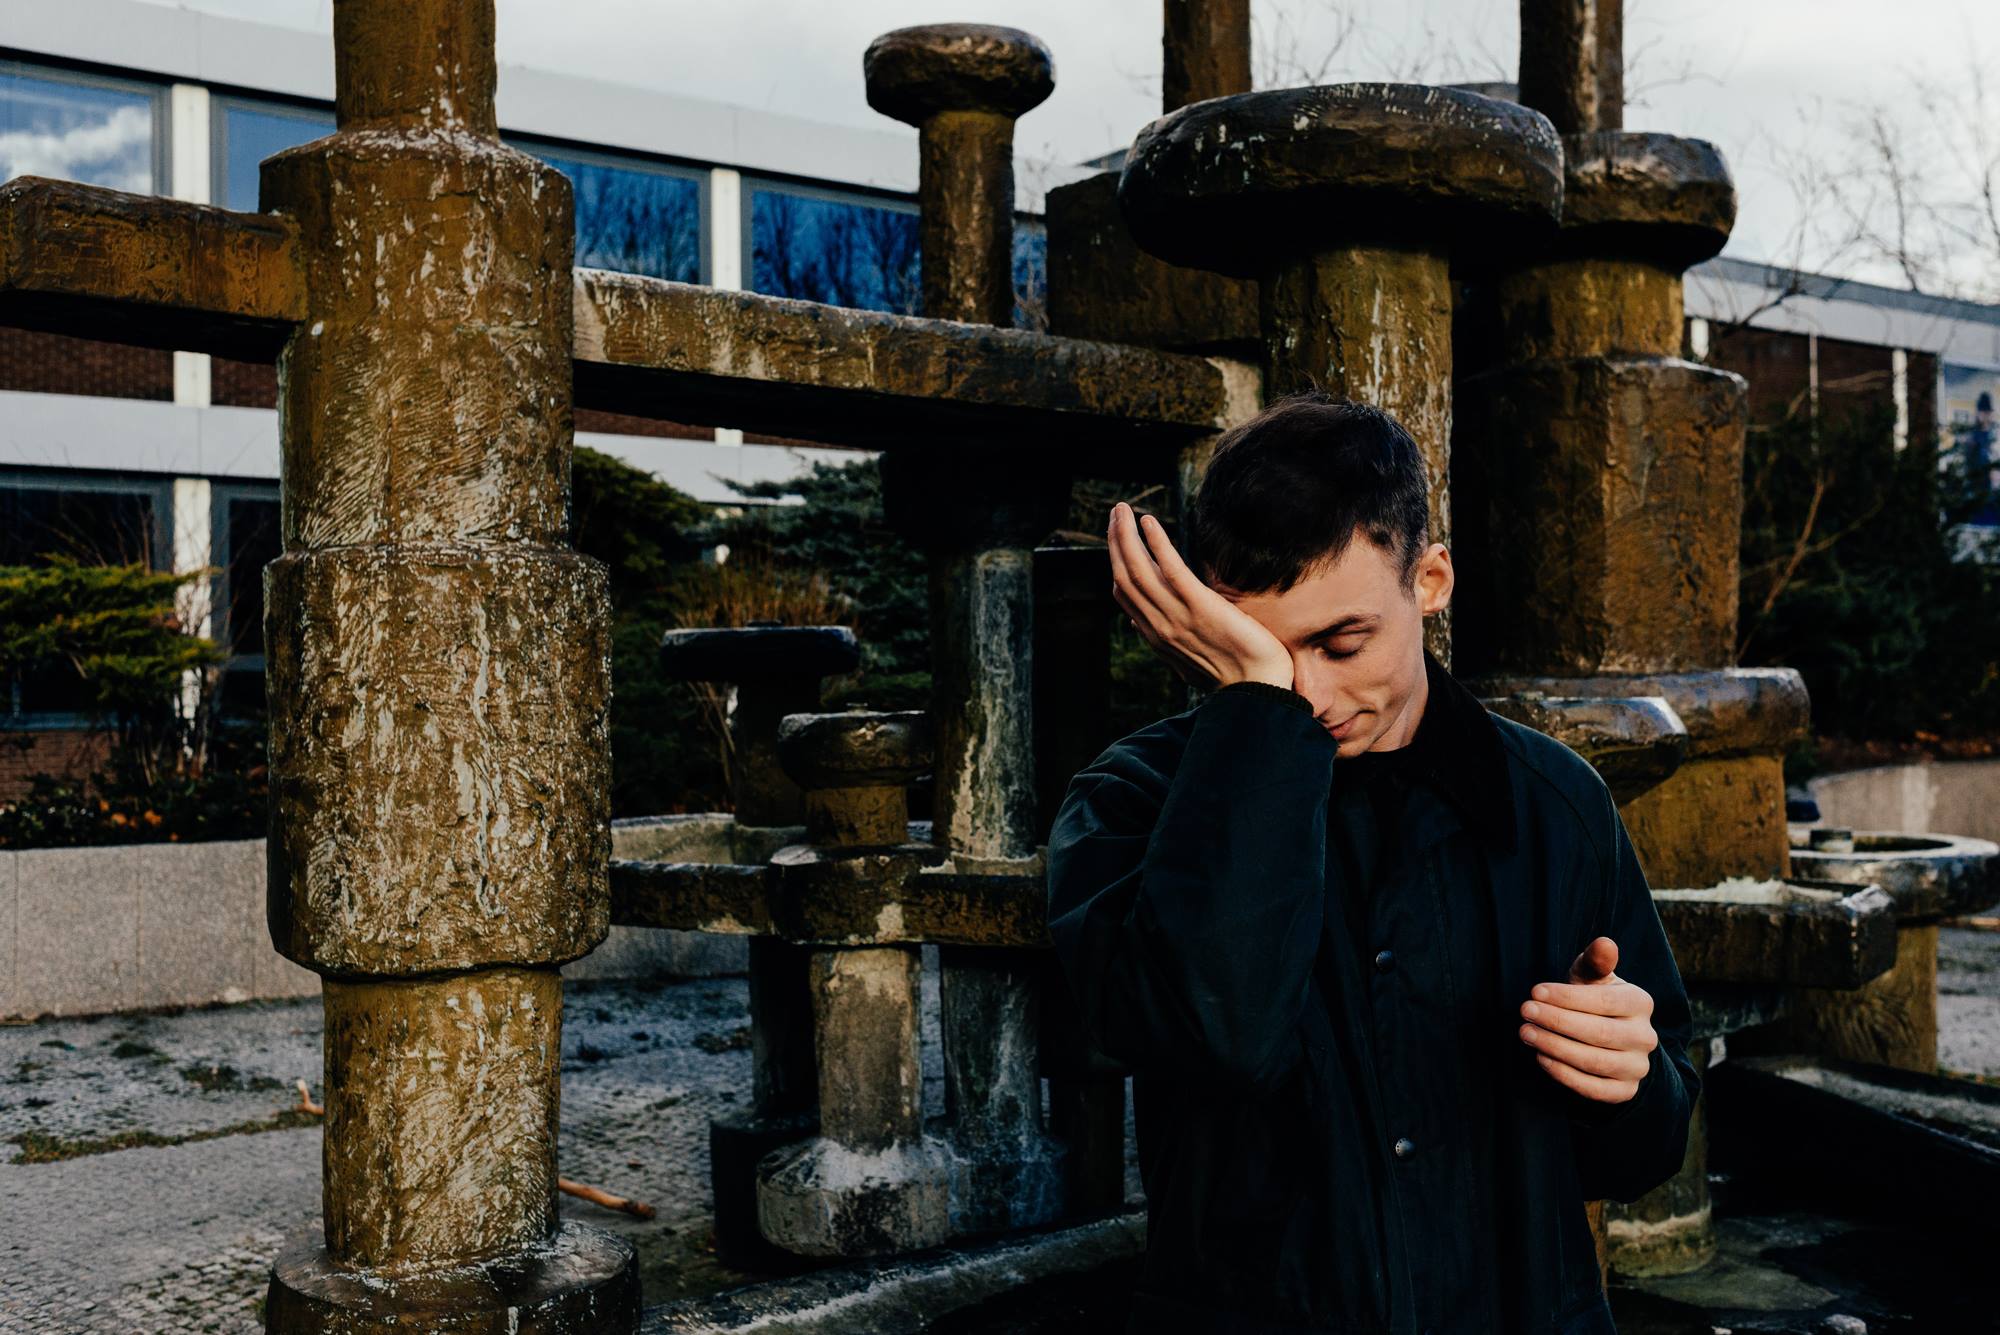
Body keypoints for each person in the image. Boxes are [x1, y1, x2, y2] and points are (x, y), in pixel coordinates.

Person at [1044, 393, 1699, 1335]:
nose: (1308, 691)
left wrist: (1630, 1079)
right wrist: (1254, 715)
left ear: (1429, 581)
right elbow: (1218, 1036)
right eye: (1264, 652)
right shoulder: (1129, 800)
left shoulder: (1556, 802)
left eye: (1341, 642)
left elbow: (1646, 1152)